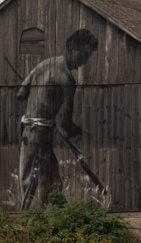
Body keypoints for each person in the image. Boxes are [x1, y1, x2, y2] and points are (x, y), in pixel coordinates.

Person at [16, 28, 98, 212]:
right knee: (34, 184)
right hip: (40, 136)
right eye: (84, 55)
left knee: (51, 181)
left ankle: (47, 220)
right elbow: (64, 123)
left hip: (27, 133)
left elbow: (21, 94)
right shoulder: (67, 78)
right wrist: (79, 132)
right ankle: (28, 222)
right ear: (73, 49)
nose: (84, 61)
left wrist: (40, 96)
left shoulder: (43, 65)